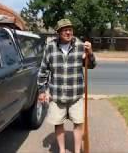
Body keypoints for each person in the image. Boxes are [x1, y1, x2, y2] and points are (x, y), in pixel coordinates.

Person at [37, 18, 96, 153]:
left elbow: (91, 65)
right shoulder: (50, 47)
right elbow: (43, 70)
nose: (68, 32)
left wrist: (90, 53)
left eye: (70, 29)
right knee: (58, 124)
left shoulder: (81, 46)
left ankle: (76, 150)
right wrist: (41, 91)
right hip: (57, 95)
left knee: (78, 124)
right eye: (65, 30)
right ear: (58, 32)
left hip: (76, 95)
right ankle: (62, 150)